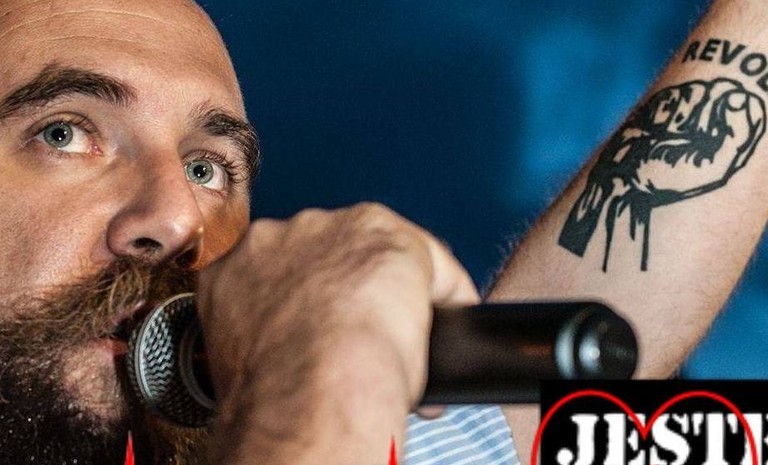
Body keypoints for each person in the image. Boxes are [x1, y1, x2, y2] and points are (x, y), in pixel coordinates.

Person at [0, 0, 765, 464]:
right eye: (65, 133)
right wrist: (324, 391)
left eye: (208, 168)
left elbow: (605, 301)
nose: (177, 218)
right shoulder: (312, 413)